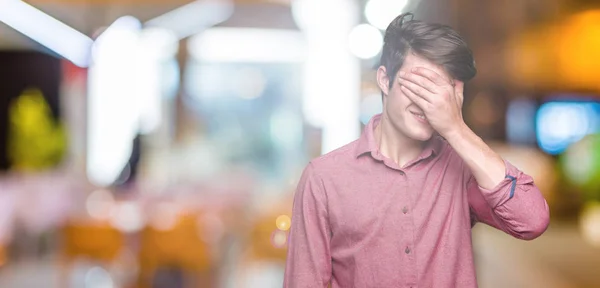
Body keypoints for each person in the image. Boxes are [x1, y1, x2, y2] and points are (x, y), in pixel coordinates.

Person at [284, 13, 549, 288]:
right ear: (385, 80)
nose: (428, 103)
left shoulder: (463, 170)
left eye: (439, 91)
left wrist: (456, 128)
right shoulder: (324, 178)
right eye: (418, 85)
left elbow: (532, 221)